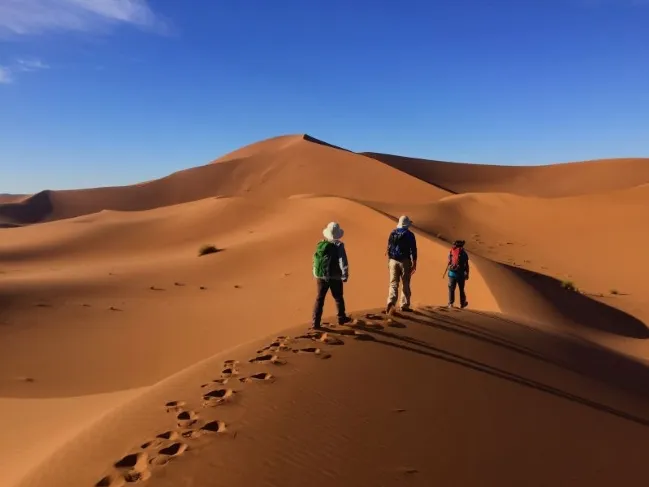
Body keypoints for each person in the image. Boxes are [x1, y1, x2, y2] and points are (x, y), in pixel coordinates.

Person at [311, 221, 352, 329]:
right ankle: (341, 318)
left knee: (319, 299)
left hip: (320, 276)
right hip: (334, 276)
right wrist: (345, 274)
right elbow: (342, 261)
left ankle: (315, 322)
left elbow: (314, 260)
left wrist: (316, 273)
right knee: (338, 297)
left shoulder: (321, 244)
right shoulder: (339, 245)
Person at [384, 215, 418, 314]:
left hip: (393, 261)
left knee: (393, 283)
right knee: (405, 283)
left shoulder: (393, 233)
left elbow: (388, 248)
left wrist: (389, 261)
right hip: (405, 261)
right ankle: (404, 305)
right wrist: (414, 263)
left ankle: (391, 302)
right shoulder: (410, 235)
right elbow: (414, 250)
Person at [447, 239, 469, 308]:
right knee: (461, 289)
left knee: (451, 289)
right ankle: (462, 304)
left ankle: (451, 303)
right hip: (461, 274)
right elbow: (466, 265)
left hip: (452, 273)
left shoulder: (451, 251)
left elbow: (449, 261)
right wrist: (467, 274)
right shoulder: (464, 253)